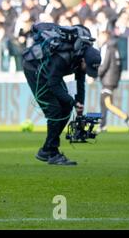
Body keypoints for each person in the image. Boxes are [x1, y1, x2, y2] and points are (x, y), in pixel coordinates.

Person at [22, 23, 101, 166]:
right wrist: (73, 102)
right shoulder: (64, 57)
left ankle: (48, 150)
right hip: (33, 67)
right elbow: (53, 84)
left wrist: (79, 107)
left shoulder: (81, 55)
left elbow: (80, 83)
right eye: (87, 67)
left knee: (65, 106)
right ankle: (51, 152)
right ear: (84, 60)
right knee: (54, 110)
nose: (86, 70)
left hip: (48, 72)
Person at [98, 31, 129, 132]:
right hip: (112, 79)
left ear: (105, 37)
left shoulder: (106, 47)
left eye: (100, 37)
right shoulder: (114, 47)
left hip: (108, 80)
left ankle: (127, 118)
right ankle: (103, 125)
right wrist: (116, 79)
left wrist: (96, 74)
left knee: (108, 104)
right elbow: (120, 66)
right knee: (103, 102)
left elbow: (104, 65)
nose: (98, 39)